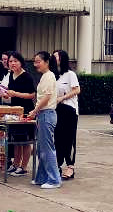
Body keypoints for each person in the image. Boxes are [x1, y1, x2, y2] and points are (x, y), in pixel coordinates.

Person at [0, 51, 36, 176]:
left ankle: (23, 167)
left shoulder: (27, 76)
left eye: (15, 61)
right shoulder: (11, 75)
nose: (12, 63)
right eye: (10, 61)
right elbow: (11, 93)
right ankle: (15, 164)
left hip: (26, 112)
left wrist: (15, 94)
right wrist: (7, 94)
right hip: (14, 111)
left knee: (25, 141)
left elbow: (32, 95)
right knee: (16, 139)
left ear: (21, 62)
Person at [26, 51, 61, 189]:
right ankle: (42, 177)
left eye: (38, 61)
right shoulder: (45, 76)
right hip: (43, 114)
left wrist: (35, 111)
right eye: (35, 62)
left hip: (46, 114)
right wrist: (36, 111)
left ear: (46, 62)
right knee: (41, 148)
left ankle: (54, 180)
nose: (36, 64)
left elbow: (46, 98)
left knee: (47, 148)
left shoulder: (49, 76)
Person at [53, 49, 80, 180]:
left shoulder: (70, 74)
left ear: (62, 59)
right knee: (58, 138)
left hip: (69, 110)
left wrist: (62, 98)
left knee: (69, 138)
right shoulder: (53, 75)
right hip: (57, 110)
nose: (53, 59)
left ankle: (70, 167)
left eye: (56, 57)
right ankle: (57, 165)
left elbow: (77, 90)